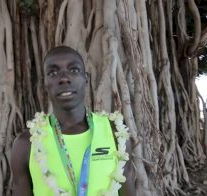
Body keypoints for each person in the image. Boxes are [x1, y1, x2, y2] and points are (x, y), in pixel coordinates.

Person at [11, 46, 135, 196]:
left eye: (74, 70)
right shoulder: (26, 144)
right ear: (45, 83)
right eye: (53, 72)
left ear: (86, 78)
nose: (64, 78)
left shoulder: (116, 134)